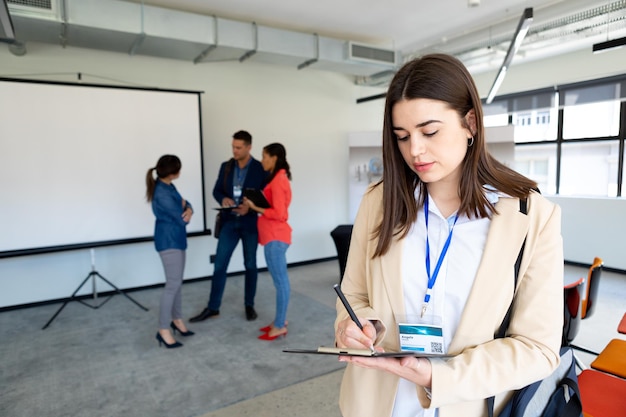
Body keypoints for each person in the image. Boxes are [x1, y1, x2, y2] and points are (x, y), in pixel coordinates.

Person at [334, 54, 564, 417]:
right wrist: (359, 324)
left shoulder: (531, 217)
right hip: (377, 404)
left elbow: (538, 348)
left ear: (470, 122)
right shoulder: (378, 202)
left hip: (470, 406)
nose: (415, 150)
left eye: (430, 132)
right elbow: (354, 293)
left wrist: (438, 375)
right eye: (402, 137)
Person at [190, 130, 268, 323]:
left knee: (250, 265)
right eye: (233, 146)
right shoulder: (226, 166)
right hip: (229, 222)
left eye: (238, 147)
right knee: (219, 266)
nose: (234, 150)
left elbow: (265, 199)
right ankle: (213, 307)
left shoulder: (259, 169)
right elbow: (216, 190)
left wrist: (249, 209)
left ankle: (249, 305)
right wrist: (223, 198)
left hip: (249, 223)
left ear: (249, 147)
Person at [243, 143, 292, 341]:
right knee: (280, 282)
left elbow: (280, 214)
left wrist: (256, 207)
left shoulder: (279, 180)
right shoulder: (277, 178)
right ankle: (279, 321)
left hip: (275, 237)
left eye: (264, 156)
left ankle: (280, 325)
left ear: (274, 158)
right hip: (272, 237)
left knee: (281, 283)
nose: (261, 160)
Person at [146, 154, 195, 349]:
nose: (180, 172)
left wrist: (188, 208)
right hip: (169, 241)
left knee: (176, 283)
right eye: (179, 169)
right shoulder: (162, 193)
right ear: (172, 172)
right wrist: (187, 211)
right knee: (172, 285)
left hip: (177, 239)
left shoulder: (168, 186)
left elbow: (186, 204)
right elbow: (182, 218)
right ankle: (163, 329)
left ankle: (177, 320)